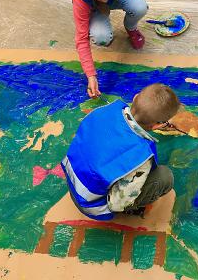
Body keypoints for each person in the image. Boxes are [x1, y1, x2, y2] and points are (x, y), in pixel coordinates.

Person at [61, 84, 181, 220]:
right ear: (158, 125)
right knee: (164, 177)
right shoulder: (139, 156)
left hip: (73, 179)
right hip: (91, 205)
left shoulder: (103, 110)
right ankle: (130, 210)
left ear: (135, 97)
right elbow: (117, 204)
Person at [65, 0, 147, 98]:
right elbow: (81, 39)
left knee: (140, 6)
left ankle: (131, 28)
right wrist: (91, 76)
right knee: (101, 37)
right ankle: (102, 16)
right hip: (95, 8)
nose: (104, 0)